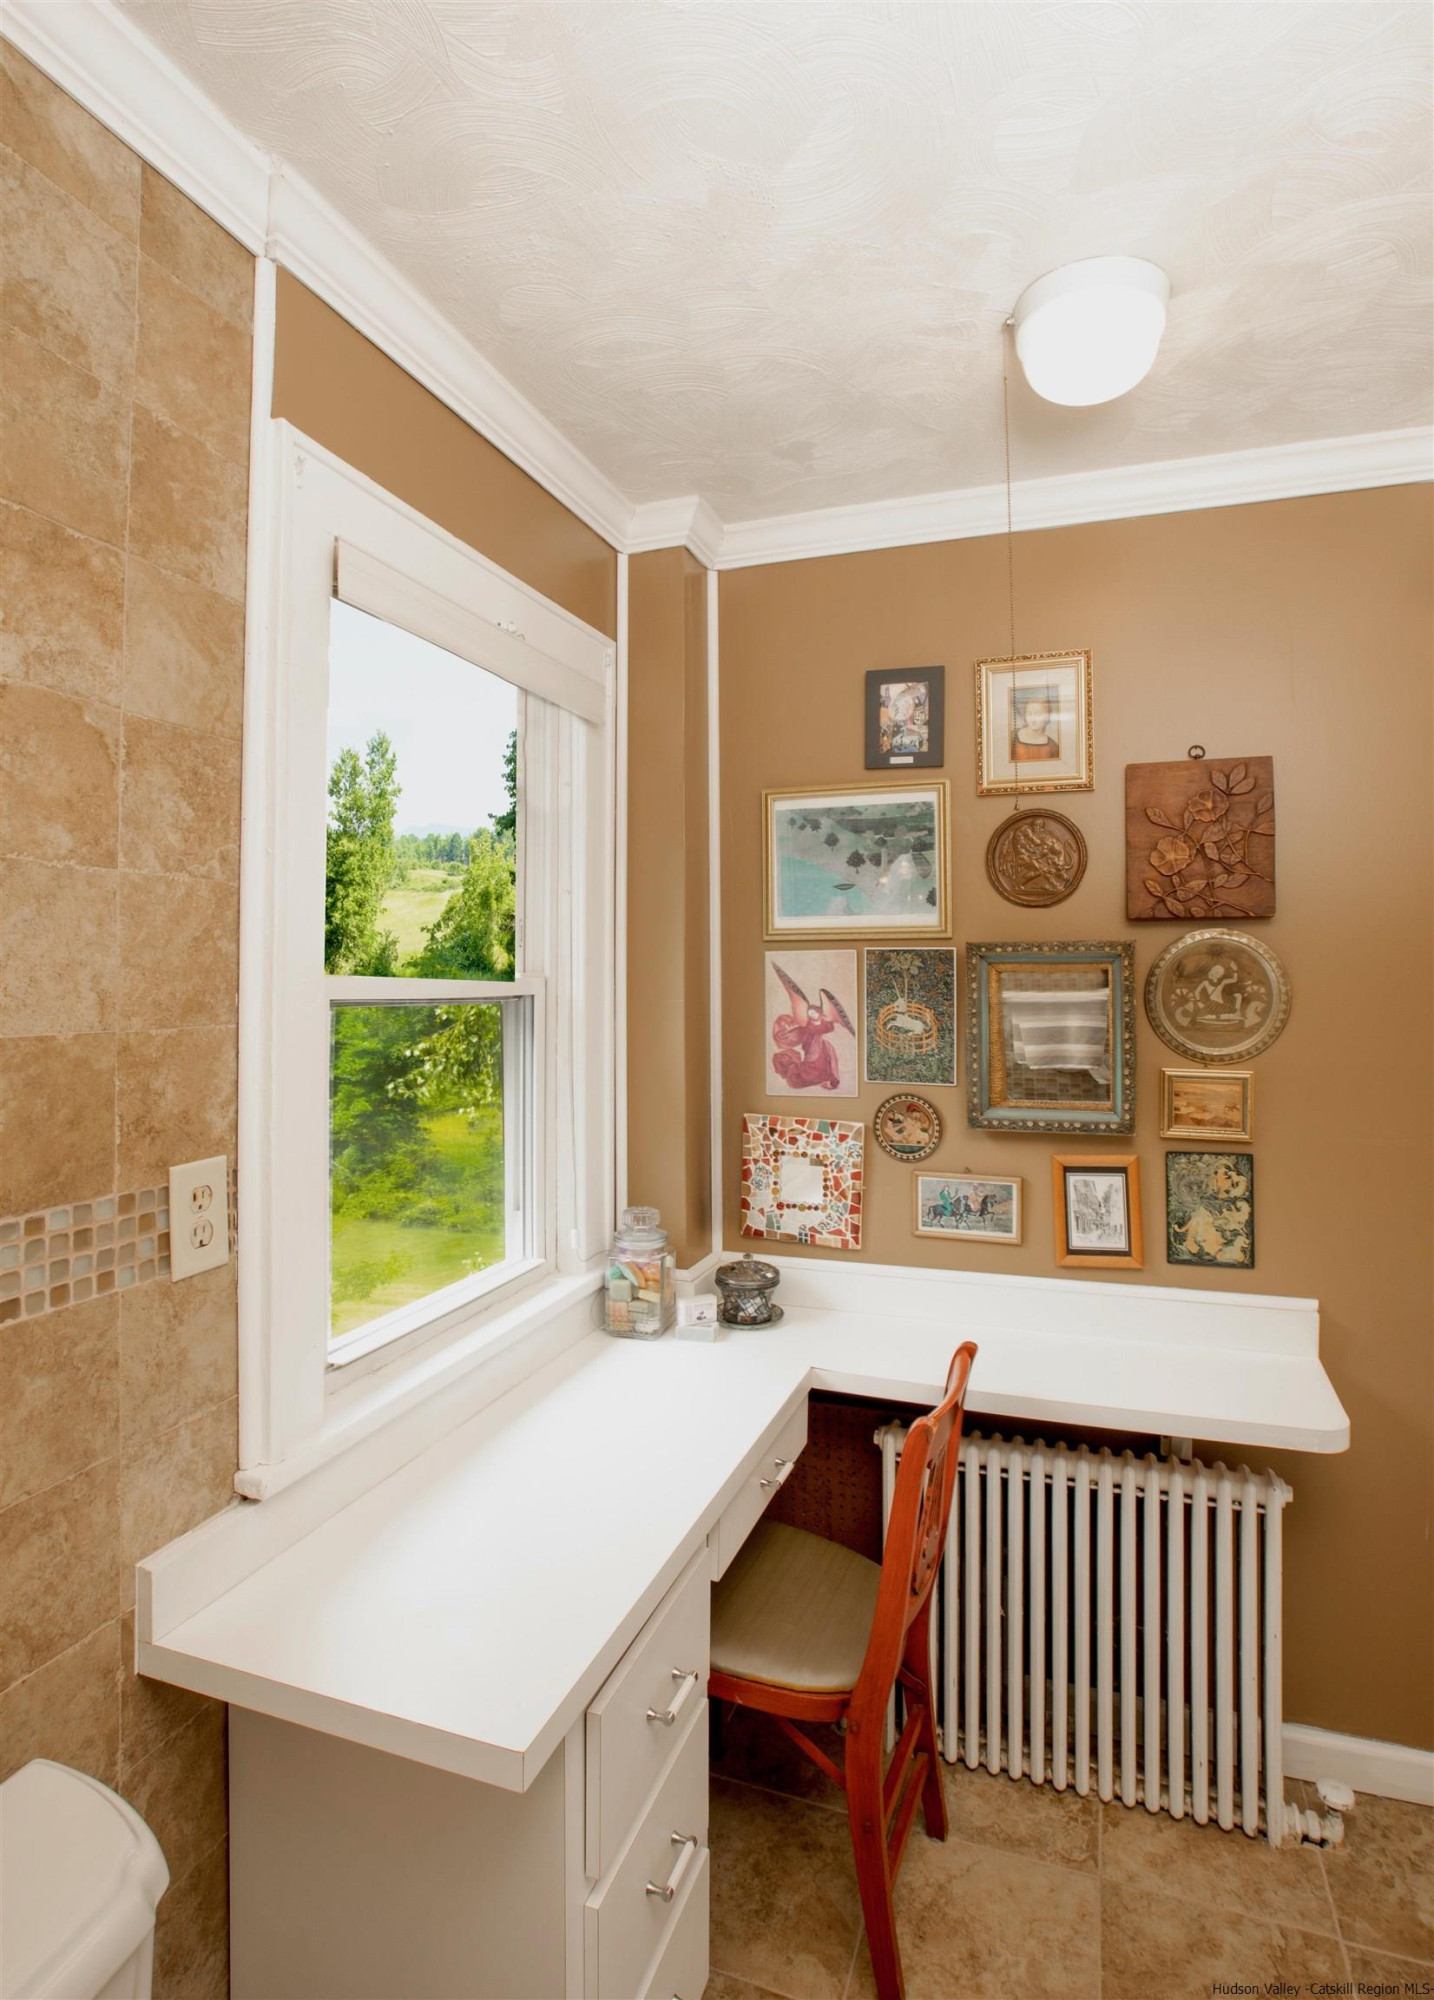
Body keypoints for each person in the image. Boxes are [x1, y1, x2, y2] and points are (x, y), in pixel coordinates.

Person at [1011, 693, 1060, 762]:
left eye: (1038, 714)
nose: (1033, 719)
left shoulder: (1053, 747)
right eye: (1029, 714)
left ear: (1047, 716)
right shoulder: (1012, 737)